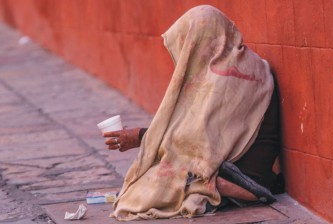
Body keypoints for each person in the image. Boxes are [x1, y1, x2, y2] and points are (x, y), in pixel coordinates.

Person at [103, 5, 282, 221]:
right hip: (237, 162)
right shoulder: (237, 64)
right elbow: (194, 133)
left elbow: (193, 142)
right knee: (154, 177)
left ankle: (235, 190)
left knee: (147, 189)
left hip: (245, 175)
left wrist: (141, 137)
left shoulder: (225, 78)